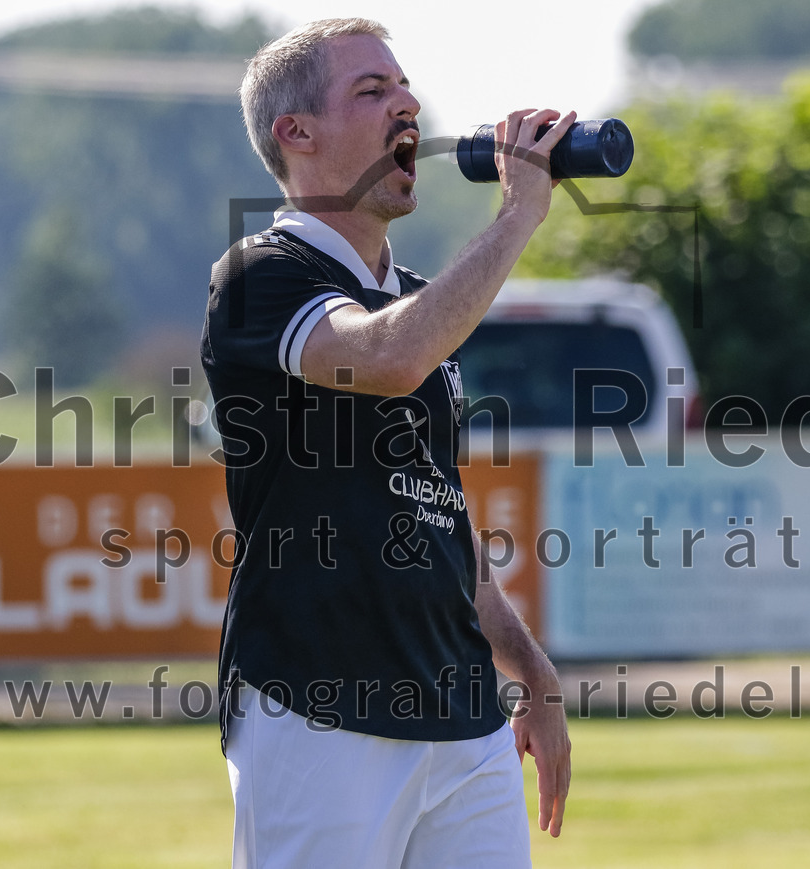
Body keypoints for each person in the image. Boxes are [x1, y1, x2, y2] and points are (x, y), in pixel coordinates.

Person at [201, 17, 572, 869]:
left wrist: (532, 671)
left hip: (462, 710)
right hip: (319, 705)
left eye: (403, 86)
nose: (406, 103)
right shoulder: (261, 274)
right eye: (371, 90)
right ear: (296, 133)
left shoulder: (413, 298)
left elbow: (436, 511)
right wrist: (520, 212)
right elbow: (387, 358)